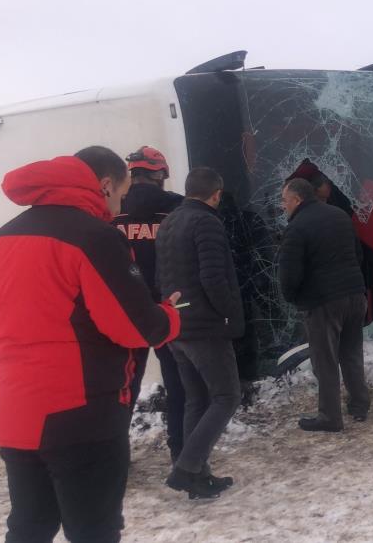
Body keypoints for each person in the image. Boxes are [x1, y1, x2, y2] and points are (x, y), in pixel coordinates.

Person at [0, 146, 181, 542]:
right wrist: (170, 316)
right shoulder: (94, 238)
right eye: (120, 194)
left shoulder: (4, 236)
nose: (120, 204)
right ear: (105, 185)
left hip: (16, 413)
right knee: (93, 532)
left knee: (29, 527)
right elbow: (137, 329)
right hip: (82, 417)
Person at [156, 167, 244, 499]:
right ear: (216, 194)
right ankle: (187, 467)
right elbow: (213, 277)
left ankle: (197, 475)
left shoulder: (169, 222)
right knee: (226, 396)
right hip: (205, 326)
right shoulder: (207, 222)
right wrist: (230, 314)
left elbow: (159, 277)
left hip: (177, 325)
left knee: (198, 399)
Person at [112, 145, 186, 462]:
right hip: (167, 307)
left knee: (122, 385)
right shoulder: (178, 208)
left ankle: (114, 457)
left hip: (122, 308)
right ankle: (182, 451)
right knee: (178, 381)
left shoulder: (112, 210)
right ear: (161, 176)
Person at [279, 178, 370, 432]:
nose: (283, 205)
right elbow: (358, 253)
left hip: (323, 302)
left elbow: (289, 272)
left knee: (325, 360)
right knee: (351, 353)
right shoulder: (339, 215)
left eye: (284, 200)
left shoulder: (297, 227)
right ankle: (359, 404)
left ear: (297, 199)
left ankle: (330, 417)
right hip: (354, 294)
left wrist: (293, 297)